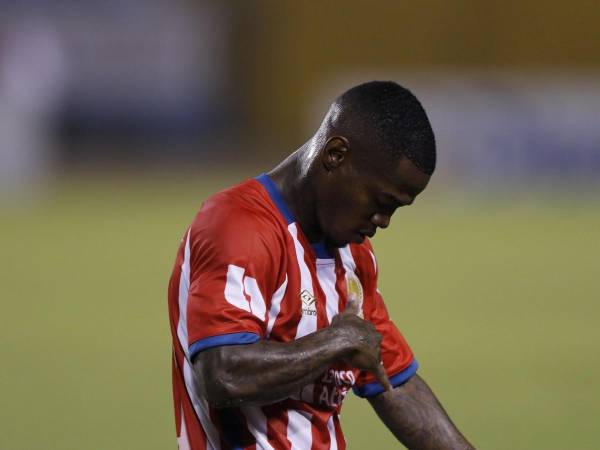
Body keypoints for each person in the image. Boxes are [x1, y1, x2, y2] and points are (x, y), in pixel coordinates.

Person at [167, 81, 475, 450]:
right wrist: (336, 341)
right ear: (335, 155)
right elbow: (223, 373)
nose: (384, 221)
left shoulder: (353, 255)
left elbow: (394, 381)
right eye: (381, 201)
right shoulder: (239, 226)